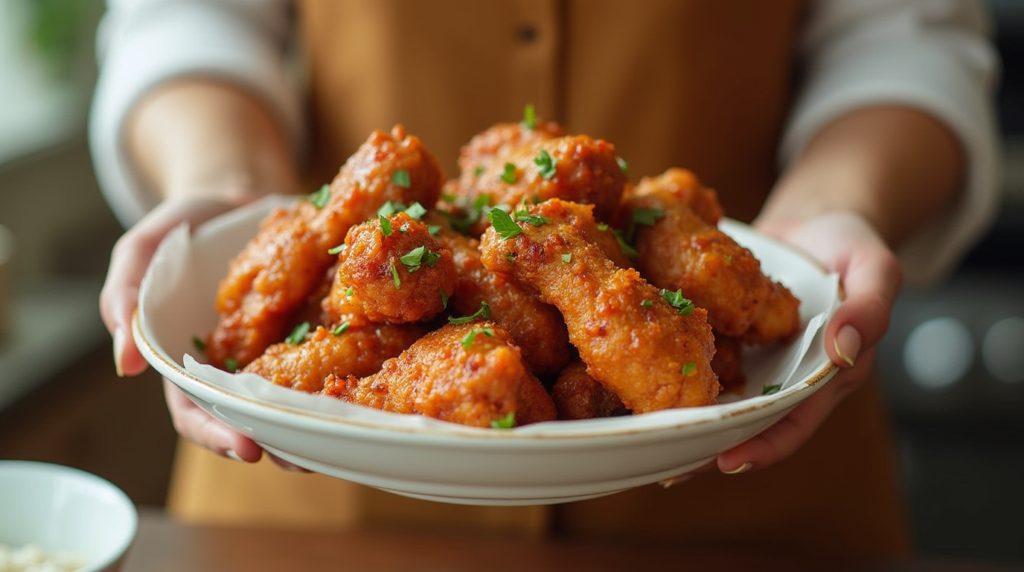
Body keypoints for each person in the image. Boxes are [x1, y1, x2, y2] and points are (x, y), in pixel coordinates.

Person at [90, 0, 999, 558]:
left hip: (747, 501)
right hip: (313, 515)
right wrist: (219, 187)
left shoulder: (600, 237)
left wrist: (842, 199)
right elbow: (186, 17)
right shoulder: (408, 272)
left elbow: (906, 34)